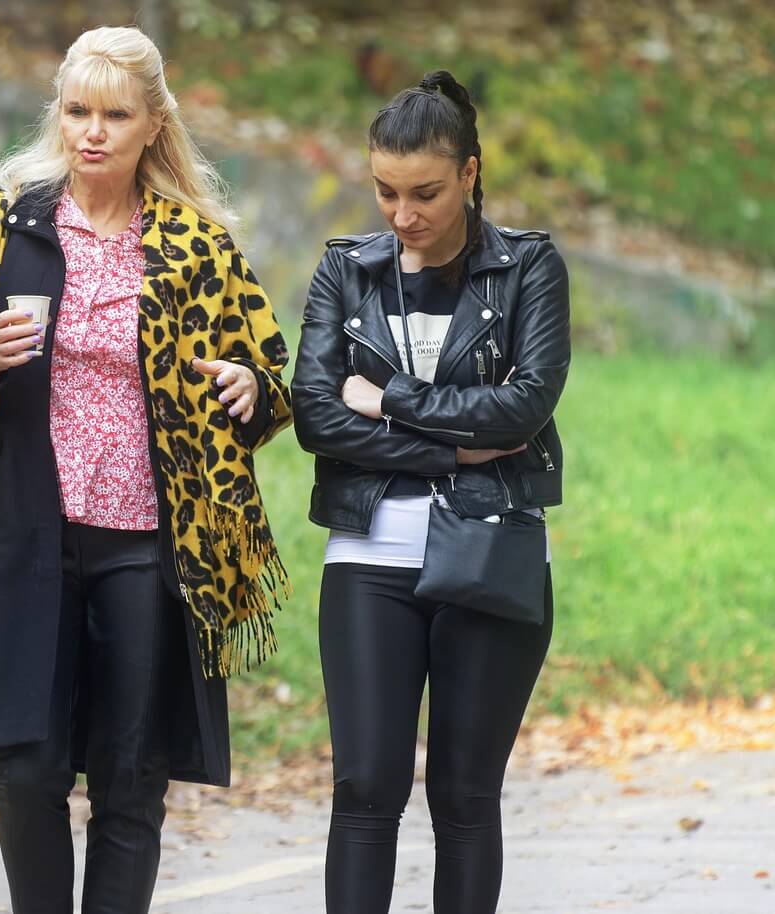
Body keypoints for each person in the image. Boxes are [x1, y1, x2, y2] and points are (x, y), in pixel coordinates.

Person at [0, 26, 292, 914]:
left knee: (131, 778)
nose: (93, 132)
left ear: (154, 125)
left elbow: (270, 382)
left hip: (146, 545)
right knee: (26, 773)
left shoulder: (196, 245)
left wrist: (248, 389)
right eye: (77, 111)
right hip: (22, 538)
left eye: (114, 115)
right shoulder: (8, 224)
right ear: (59, 116)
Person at [291, 69, 571, 914]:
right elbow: (316, 415)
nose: (402, 214)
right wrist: (457, 449)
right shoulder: (346, 270)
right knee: (364, 788)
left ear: (470, 173)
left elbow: (523, 407)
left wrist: (389, 399)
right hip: (368, 555)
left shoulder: (528, 268)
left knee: (464, 794)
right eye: (385, 191)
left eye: (426, 193)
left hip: (491, 548)